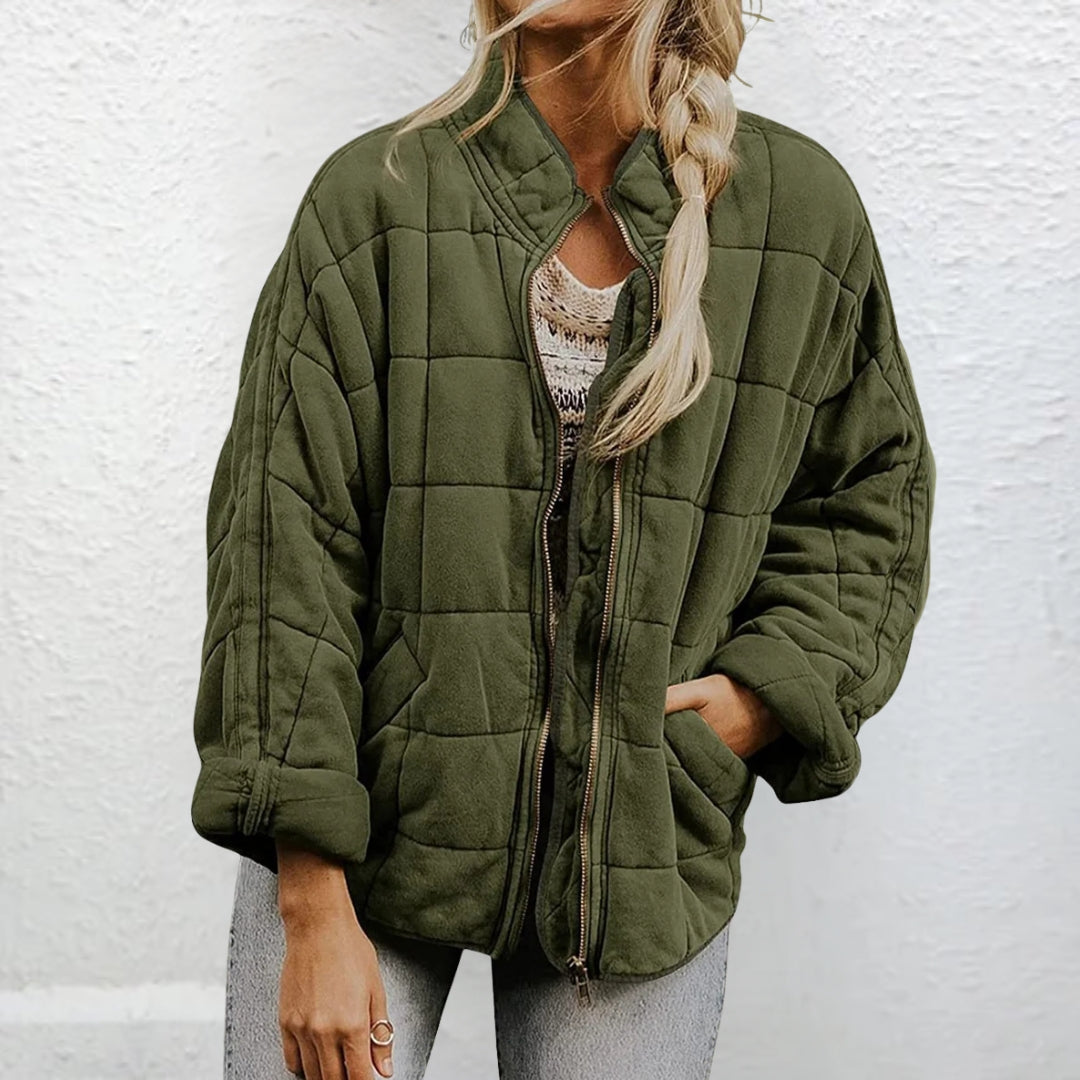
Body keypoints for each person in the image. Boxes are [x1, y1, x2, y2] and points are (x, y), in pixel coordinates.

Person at [189, 1, 937, 1077]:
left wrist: (764, 695)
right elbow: (282, 549)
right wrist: (309, 896)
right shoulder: (377, 200)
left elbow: (871, 498)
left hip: (639, 860)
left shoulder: (797, 213)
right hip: (362, 843)